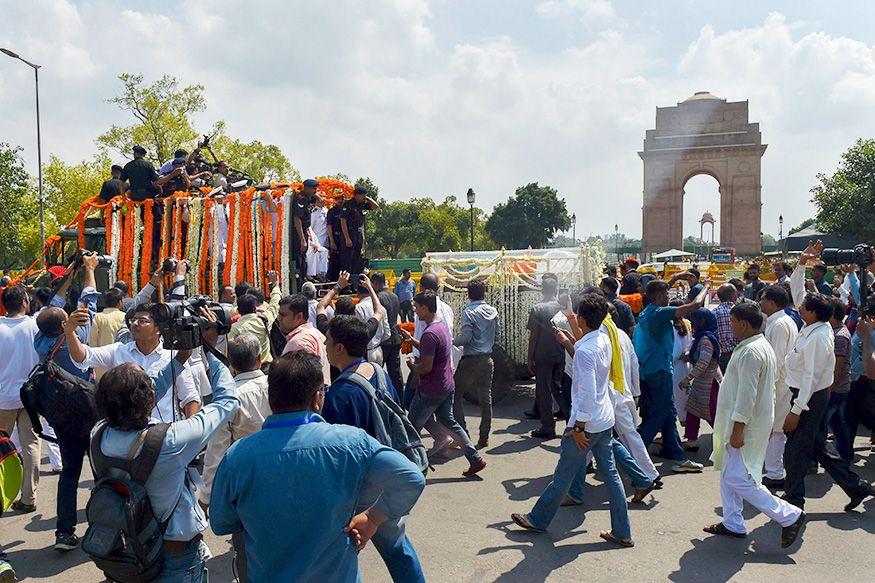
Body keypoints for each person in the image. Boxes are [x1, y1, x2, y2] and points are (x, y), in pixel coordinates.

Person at [210, 351, 425, 583]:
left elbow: (221, 522)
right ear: (317, 398)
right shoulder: (350, 443)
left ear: (272, 398)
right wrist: (373, 518)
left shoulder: (238, 456)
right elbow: (411, 478)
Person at [91, 309, 239, 581]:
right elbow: (227, 403)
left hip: (130, 550)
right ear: (148, 399)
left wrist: (180, 360)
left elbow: (138, 395)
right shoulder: (169, 441)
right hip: (175, 556)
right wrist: (210, 350)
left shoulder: (98, 434)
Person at [511, 293, 633, 547]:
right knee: (611, 476)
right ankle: (622, 531)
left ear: (583, 318)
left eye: (576, 314)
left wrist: (578, 428)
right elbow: (586, 356)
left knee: (563, 476)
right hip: (603, 419)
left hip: (586, 423)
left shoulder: (588, 349)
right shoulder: (601, 338)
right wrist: (569, 341)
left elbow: (587, 392)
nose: (573, 316)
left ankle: (538, 519)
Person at [320, 316, 423, 583]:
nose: (324, 343)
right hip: (386, 470)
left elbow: (338, 451)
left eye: (328, 340)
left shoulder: (341, 394)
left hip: (360, 486)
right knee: (397, 547)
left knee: (341, 556)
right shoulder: (376, 370)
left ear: (340, 347)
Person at [703, 302, 805, 547]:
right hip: (749, 421)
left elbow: (747, 395)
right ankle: (732, 522)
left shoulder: (752, 351)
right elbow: (766, 387)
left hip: (744, 425)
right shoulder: (758, 346)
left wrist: (739, 429)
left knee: (739, 478)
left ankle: (789, 515)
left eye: (731, 322)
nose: (728, 327)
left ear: (743, 324)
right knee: (729, 474)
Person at [782, 241, 874, 511]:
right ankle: (856, 487)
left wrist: (797, 410)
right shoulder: (811, 323)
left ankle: (793, 501)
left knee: (796, 451)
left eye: (803, 306)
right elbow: (797, 292)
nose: (798, 306)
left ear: (812, 312)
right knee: (818, 447)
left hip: (810, 398)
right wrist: (801, 263)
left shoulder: (819, 337)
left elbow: (810, 376)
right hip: (808, 396)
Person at [32, 255, 99, 550]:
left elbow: (50, 310)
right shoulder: (77, 334)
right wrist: (89, 270)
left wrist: (68, 274)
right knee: (102, 470)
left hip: (61, 414)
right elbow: (89, 302)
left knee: (70, 473)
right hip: (90, 410)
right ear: (65, 323)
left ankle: (64, 532)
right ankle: (103, 526)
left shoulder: (40, 340)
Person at [198, 333, 269, 581]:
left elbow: (216, 453)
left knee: (246, 547)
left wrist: (205, 498)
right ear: (260, 359)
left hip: (244, 484)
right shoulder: (278, 386)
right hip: (281, 475)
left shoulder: (228, 399)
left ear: (232, 365)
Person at [66, 302, 201, 423]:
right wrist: (70, 331)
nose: (135, 324)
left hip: (162, 437)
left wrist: (189, 433)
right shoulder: (118, 351)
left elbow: (190, 398)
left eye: (142, 320)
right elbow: (83, 357)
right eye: (133, 320)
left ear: (158, 329)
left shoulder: (172, 357)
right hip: (127, 434)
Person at [406, 291, 486, 477]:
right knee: (450, 422)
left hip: (431, 389)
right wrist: (413, 342)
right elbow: (433, 350)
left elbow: (425, 367)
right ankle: (475, 458)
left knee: (411, 427)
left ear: (425, 308)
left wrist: (411, 365)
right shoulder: (440, 327)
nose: (415, 312)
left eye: (417, 308)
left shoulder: (429, 334)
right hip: (446, 385)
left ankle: (417, 467)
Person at [633, 278, 708, 473]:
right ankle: (634, 454)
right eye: (666, 294)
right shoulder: (659, 313)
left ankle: (679, 457)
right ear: (658, 296)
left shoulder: (647, 312)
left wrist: (674, 278)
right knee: (658, 416)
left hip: (650, 371)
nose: (669, 296)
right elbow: (696, 305)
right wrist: (706, 287)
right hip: (660, 372)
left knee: (668, 414)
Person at [0, 286, 41, 514]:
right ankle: (28, 497)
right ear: (25, 301)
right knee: (31, 446)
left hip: (3, 398)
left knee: (0, 449)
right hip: (31, 397)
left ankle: (2, 494)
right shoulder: (35, 326)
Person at [759, 285, 799, 489]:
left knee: (774, 430)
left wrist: (767, 387)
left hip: (779, 384)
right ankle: (774, 470)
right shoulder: (781, 321)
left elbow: (776, 359)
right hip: (782, 383)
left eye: (763, 299)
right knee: (775, 430)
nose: (760, 303)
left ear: (772, 303)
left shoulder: (780, 324)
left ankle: (775, 474)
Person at [452, 279, 499, 448]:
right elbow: (497, 337)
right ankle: (484, 437)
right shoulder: (492, 311)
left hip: (470, 359)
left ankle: (463, 435)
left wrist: (451, 341)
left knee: (455, 395)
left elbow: (466, 337)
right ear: (484, 293)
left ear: (469, 294)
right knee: (485, 397)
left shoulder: (468, 312)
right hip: (487, 359)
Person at [526, 273, 565, 439]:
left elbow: (533, 336)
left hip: (543, 354)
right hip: (561, 352)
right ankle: (571, 419)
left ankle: (548, 426)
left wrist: (529, 357)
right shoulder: (562, 307)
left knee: (543, 391)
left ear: (542, 290)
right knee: (558, 388)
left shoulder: (537, 308)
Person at [679, 308, 723, 452]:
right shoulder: (703, 337)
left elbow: (703, 362)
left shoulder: (705, 339)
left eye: (695, 320)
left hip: (709, 383)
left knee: (712, 413)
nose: (692, 323)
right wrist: (686, 356)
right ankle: (692, 440)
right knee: (693, 410)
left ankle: (726, 439)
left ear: (702, 321)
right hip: (701, 382)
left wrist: (688, 378)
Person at [228, 271, 280, 368]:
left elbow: (228, 353)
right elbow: (275, 304)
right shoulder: (264, 319)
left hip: (245, 371)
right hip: (267, 368)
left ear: (239, 310)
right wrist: (276, 284)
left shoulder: (234, 328)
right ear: (254, 308)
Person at [280, 293, 331, 386]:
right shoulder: (316, 333)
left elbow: (302, 383)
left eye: (283, 315)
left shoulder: (298, 342)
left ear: (299, 316)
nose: (279, 318)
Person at [824, 298, 853, 462]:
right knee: (838, 424)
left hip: (836, 388)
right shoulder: (834, 331)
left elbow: (838, 365)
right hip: (838, 388)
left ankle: (833, 460)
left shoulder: (840, 335)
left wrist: (830, 388)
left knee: (821, 425)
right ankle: (845, 456)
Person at [372, 272, 404, 395]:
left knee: (377, 372)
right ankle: (400, 400)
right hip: (395, 338)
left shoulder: (378, 298)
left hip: (383, 340)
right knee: (395, 373)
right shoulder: (394, 296)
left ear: (375, 283)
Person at [339, 184, 379, 274]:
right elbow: (343, 221)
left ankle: (356, 275)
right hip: (349, 233)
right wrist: (347, 238)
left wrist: (368, 198)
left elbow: (376, 207)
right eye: (363, 195)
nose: (364, 197)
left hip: (358, 234)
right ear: (357, 195)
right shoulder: (348, 204)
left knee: (358, 256)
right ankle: (345, 276)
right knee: (347, 257)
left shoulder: (362, 205)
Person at [355, 276, 391, 366]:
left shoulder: (359, 308)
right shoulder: (381, 308)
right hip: (378, 350)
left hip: (365, 353)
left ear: (358, 293)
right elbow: (387, 333)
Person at [292, 179, 318, 290]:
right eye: (313, 188)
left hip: (304, 231)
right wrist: (302, 239)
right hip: (298, 233)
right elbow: (297, 219)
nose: (315, 191)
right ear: (306, 187)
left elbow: (319, 200)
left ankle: (302, 281)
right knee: (298, 258)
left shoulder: (307, 199)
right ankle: (298, 285)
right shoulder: (301, 199)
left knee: (303, 258)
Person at [670, 303, 693, 421]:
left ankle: (681, 419)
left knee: (676, 395)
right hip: (686, 362)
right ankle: (685, 418)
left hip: (676, 364)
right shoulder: (687, 323)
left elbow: (675, 349)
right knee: (684, 394)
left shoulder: (672, 325)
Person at [714, 284, 738, 373]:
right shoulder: (740, 311)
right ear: (733, 295)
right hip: (739, 353)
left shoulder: (714, 313)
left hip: (722, 356)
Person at [307, 196, 330, 278]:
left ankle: (322, 274)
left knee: (325, 253)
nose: (323, 201)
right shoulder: (314, 213)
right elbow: (310, 228)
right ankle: (314, 274)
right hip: (316, 239)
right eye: (320, 200)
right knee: (316, 255)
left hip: (325, 240)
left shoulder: (327, 211)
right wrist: (313, 242)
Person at [326, 200, 344, 282]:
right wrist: (332, 241)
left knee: (344, 261)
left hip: (345, 238)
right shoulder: (332, 211)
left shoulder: (346, 209)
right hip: (336, 237)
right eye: (338, 198)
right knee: (335, 260)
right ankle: (333, 280)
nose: (340, 200)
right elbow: (329, 227)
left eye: (342, 198)